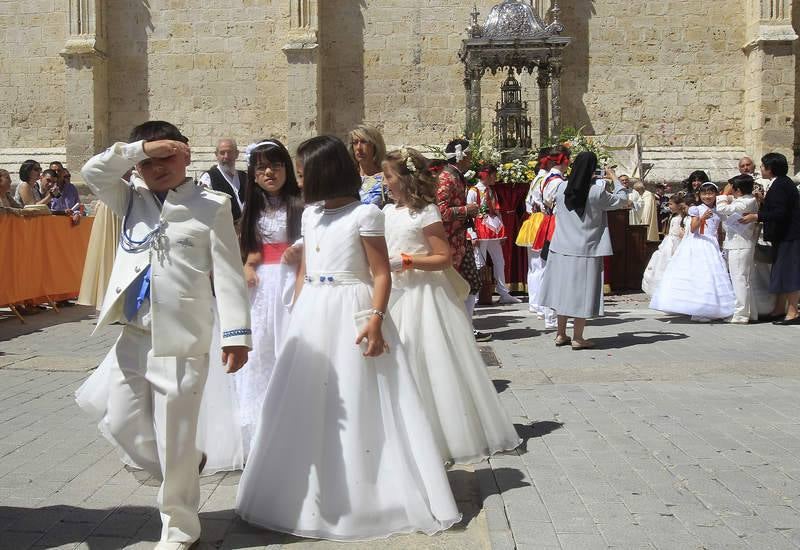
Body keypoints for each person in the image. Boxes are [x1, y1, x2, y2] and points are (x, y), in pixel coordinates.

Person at [235, 135, 461, 540]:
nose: (299, 180)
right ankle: (303, 493)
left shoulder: (365, 215)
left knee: (360, 396)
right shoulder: (310, 215)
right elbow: (306, 268)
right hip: (313, 312)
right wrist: (298, 306)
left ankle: (367, 492)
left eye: (304, 172)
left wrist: (375, 319)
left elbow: (380, 272)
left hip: (353, 309)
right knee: (307, 395)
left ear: (324, 173)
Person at [80, 120, 251, 550]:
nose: (158, 167)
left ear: (187, 154)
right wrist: (138, 147)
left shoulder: (211, 205)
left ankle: (179, 529)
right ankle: (186, 465)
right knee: (120, 422)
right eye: (150, 160)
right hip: (134, 336)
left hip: (182, 341)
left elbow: (229, 274)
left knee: (174, 435)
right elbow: (93, 172)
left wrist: (237, 334)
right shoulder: (129, 199)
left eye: (168, 156)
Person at [382, 147, 521, 464]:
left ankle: (438, 436)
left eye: (388, 176)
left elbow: (441, 258)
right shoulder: (386, 213)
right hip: (395, 296)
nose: (384, 182)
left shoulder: (426, 213)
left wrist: (406, 260)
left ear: (405, 178)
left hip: (423, 295)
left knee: (428, 364)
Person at [236, 139, 303, 454]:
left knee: (288, 346)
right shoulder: (253, 207)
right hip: (262, 286)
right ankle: (260, 432)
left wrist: (298, 252)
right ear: (253, 173)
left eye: (275, 166)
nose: (269, 173)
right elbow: (252, 244)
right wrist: (249, 264)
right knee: (261, 349)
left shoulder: (300, 204)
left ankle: (293, 425)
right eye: (262, 167)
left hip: (292, 280)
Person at [538, 152, 629, 349]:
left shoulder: (561, 187)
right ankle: (578, 337)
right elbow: (621, 199)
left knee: (562, 291)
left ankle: (560, 334)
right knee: (582, 293)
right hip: (585, 249)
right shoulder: (596, 192)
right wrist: (613, 177)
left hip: (561, 247)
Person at [651, 182, 736, 322]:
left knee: (713, 276)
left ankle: (715, 307)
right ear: (699, 195)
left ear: (716, 195)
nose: (707, 196)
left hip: (712, 244)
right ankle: (698, 308)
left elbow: (719, 231)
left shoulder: (719, 210)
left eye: (710, 193)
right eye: (704, 194)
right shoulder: (696, 209)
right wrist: (703, 218)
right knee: (700, 274)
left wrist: (720, 245)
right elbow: (694, 228)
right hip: (698, 243)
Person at [435, 138, 488, 341]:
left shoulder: (456, 176)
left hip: (459, 240)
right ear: (461, 156)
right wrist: (467, 210)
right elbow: (440, 211)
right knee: (454, 286)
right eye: (470, 155)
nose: (472, 159)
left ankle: (464, 327)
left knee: (470, 283)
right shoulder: (447, 178)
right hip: (449, 243)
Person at [740, 152, 800, 324]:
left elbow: (781, 213)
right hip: (783, 237)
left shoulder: (781, 184)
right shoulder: (780, 183)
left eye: (763, 165)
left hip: (789, 236)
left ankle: (793, 311)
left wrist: (756, 216)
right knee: (780, 272)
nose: (761, 168)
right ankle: (780, 309)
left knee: (788, 272)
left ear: (770, 168)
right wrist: (764, 202)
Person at [467, 163, 520, 304]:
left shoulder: (491, 190)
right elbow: (469, 214)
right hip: (480, 229)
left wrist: (502, 232)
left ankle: (503, 292)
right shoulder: (473, 191)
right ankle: (476, 295)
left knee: (499, 260)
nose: (495, 178)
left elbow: (496, 211)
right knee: (479, 261)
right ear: (487, 175)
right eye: (493, 175)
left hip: (493, 229)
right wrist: (472, 234)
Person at [535, 145, 571, 330]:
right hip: (555, 224)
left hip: (552, 222)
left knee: (550, 268)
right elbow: (552, 202)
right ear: (564, 160)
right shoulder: (556, 181)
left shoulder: (550, 178)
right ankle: (551, 316)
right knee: (552, 270)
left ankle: (551, 313)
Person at [716, 175, 759, 324]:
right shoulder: (743, 200)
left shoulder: (747, 201)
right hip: (736, 244)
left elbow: (721, 208)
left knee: (739, 279)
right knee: (743, 280)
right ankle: (750, 312)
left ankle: (741, 314)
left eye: (732, 188)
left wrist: (723, 194)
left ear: (738, 190)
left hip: (741, 245)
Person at [517, 147, 552, 315]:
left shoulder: (536, 178)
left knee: (534, 265)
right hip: (541, 221)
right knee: (541, 264)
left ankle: (534, 302)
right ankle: (540, 305)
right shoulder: (546, 179)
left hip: (532, 220)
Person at [642, 194, 687, 296]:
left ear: (679, 205)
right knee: (660, 263)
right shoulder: (674, 216)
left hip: (675, 243)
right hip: (668, 242)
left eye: (671, 204)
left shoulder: (681, 218)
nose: (669, 206)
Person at [198, 138, 247, 222]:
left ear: (237, 154)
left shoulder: (245, 177)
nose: (226, 156)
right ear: (216, 155)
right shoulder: (208, 178)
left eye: (230, 152)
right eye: (222, 153)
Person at [348, 124, 389, 207]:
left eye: (364, 142)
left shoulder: (385, 178)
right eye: (355, 143)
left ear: (375, 146)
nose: (359, 147)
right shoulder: (347, 177)